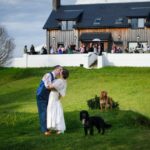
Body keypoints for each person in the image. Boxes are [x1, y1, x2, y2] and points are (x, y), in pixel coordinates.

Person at [36, 65, 63, 135]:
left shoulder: (54, 78)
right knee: (43, 112)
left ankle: (47, 128)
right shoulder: (48, 75)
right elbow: (48, 86)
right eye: (60, 70)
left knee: (48, 112)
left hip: (47, 97)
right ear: (56, 69)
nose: (61, 72)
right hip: (41, 96)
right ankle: (45, 131)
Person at [47, 69, 69, 135]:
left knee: (52, 111)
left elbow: (50, 87)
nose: (59, 73)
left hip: (53, 95)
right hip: (57, 97)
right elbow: (61, 92)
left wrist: (47, 82)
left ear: (62, 74)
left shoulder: (59, 81)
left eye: (61, 72)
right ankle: (57, 128)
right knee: (57, 111)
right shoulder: (65, 81)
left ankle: (54, 127)